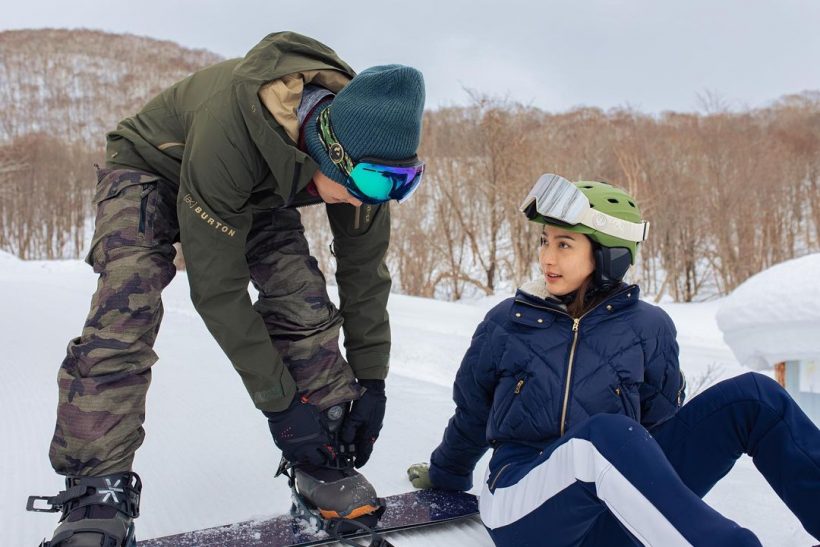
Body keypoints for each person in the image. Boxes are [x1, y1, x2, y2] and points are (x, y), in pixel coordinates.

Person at [28, 32, 425, 546]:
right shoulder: (233, 132)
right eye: (374, 184)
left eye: (403, 182)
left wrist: (372, 381)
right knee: (128, 305)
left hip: (257, 190)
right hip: (154, 168)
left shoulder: (371, 161)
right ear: (328, 153)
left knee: (301, 298)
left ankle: (322, 463)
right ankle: (95, 494)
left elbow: (364, 276)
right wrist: (281, 407)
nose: (376, 198)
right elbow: (218, 291)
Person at [407, 174, 820, 546]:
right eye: (544, 241)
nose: (547, 257)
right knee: (603, 437)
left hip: (613, 513)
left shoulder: (650, 327)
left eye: (564, 244)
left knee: (755, 398)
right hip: (524, 504)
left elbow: (658, 430)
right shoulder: (507, 322)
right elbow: (472, 415)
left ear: (609, 255)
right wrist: (446, 477)